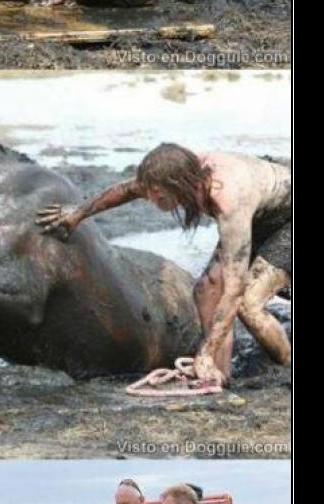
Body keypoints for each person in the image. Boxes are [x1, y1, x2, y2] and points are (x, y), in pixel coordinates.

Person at [46, 138, 292, 387]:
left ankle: (286, 368)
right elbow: (126, 190)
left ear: (181, 185)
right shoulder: (172, 175)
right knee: (206, 291)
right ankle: (218, 375)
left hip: (285, 220)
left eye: (159, 195)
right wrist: (76, 214)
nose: (152, 199)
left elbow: (234, 289)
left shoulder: (228, 199)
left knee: (248, 304)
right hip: (260, 215)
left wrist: (204, 351)